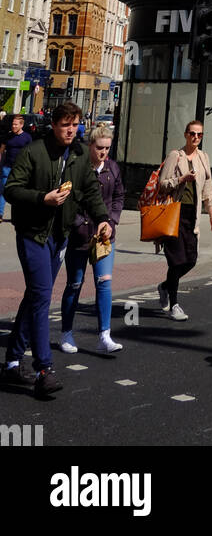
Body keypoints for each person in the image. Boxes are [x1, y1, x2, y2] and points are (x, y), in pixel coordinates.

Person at [2, 101, 112, 397]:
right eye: (65, 124)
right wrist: (42, 198)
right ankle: (43, 369)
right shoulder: (34, 151)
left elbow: (90, 190)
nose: (70, 129)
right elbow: (11, 188)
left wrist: (103, 219)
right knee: (41, 296)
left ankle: (12, 362)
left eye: (74, 124)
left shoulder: (77, 154)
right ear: (54, 125)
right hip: (32, 234)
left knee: (34, 296)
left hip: (59, 236)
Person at [59, 123, 126, 355]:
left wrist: (112, 221)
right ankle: (66, 333)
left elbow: (118, 197)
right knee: (75, 284)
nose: (103, 153)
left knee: (104, 282)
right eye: (99, 148)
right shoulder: (77, 168)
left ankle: (104, 335)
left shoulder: (113, 169)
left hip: (104, 236)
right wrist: (79, 223)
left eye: (107, 148)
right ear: (90, 146)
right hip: (80, 235)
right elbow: (68, 201)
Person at [157, 121, 212, 320]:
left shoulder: (203, 157)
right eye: (192, 134)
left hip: (193, 215)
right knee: (176, 261)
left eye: (199, 135)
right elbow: (162, 185)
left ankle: (165, 286)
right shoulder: (176, 156)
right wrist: (181, 179)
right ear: (185, 135)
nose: (195, 137)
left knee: (190, 260)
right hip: (174, 214)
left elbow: (207, 188)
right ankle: (175, 304)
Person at [0, 114, 32, 222]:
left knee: (17, 193)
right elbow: (1, 150)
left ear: (21, 125)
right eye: (12, 124)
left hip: (20, 169)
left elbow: (30, 153)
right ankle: (0, 214)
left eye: (15, 124)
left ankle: (16, 216)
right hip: (7, 167)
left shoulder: (27, 137)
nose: (13, 126)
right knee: (3, 190)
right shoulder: (8, 136)